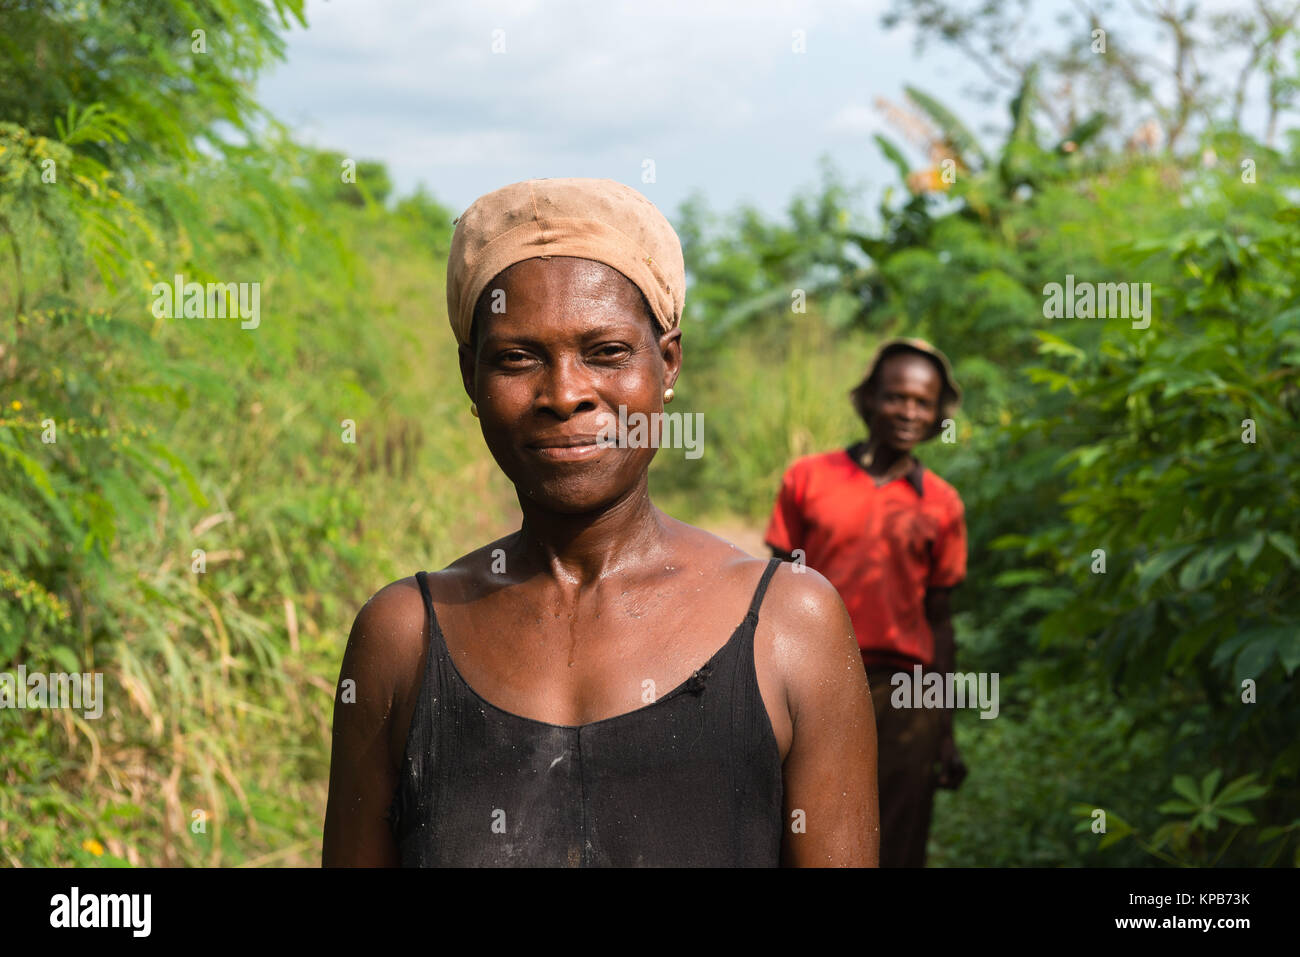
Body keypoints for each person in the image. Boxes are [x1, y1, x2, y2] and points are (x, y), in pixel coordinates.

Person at [321, 177, 878, 867]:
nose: (565, 393)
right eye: (517, 358)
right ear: (470, 377)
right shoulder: (402, 637)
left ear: (667, 362)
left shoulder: (791, 624)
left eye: (606, 351)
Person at [764, 338, 967, 867]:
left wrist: (945, 731)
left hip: (906, 695)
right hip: (815, 680)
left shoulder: (941, 501)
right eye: (897, 396)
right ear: (870, 399)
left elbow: (940, 621)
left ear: (936, 415)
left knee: (899, 835)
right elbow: (772, 592)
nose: (908, 411)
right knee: (806, 832)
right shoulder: (808, 479)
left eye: (923, 402)